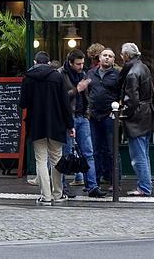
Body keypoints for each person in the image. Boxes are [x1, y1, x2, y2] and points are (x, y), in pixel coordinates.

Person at [20, 51, 74, 205]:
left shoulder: (28, 78)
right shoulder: (57, 77)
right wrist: (70, 125)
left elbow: (23, 103)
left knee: (41, 160)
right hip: (56, 124)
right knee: (56, 159)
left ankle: (46, 196)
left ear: (35, 62)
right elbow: (65, 104)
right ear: (49, 63)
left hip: (36, 124)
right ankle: (58, 194)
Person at [59, 49, 104, 197]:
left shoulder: (83, 74)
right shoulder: (60, 75)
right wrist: (77, 89)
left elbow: (88, 96)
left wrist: (87, 114)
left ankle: (92, 186)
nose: (81, 66)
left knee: (88, 153)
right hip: (68, 119)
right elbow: (59, 98)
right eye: (78, 64)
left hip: (82, 118)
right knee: (65, 154)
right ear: (70, 62)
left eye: (83, 63)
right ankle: (62, 187)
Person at [119, 42, 154, 197]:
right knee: (144, 153)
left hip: (137, 119)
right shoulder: (143, 67)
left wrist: (123, 114)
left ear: (127, 56)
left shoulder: (132, 72)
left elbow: (132, 100)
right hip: (146, 115)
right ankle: (146, 185)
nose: (121, 57)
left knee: (138, 155)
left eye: (122, 54)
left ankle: (144, 187)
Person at [87, 47, 121, 190]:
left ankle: (115, 182)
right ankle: (95, 182)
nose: (107, 58)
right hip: (94, 116)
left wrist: (117, 110)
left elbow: (122, 94)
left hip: (109, 116)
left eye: (110, 56)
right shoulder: (90, 73)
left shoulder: (117, 75)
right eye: (104, 55)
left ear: (113, 60)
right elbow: (87, 92)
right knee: (95, 150)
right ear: (99, 58)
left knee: (111, 150)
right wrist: (88, 110)